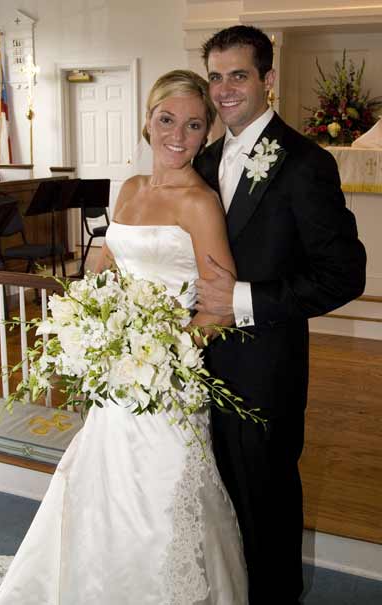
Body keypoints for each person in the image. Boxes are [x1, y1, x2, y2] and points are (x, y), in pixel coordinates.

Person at [0, 70, 249, 605]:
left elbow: (219, 309)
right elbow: (107, 264)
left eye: (194, 124)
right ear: (147, 122)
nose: (178, 134)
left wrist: (164, 355)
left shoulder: (200, 204)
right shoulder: (130, 190)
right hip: (116, 379)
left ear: (206, 135)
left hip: (165, 384)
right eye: (166, 119)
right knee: (102, 487)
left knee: (158, 497)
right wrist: (86, 319)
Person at [193, 25, 367, 605]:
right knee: (214, 504)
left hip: (265, 373)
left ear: (268, 80)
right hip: (197, 372)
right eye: (215, 77)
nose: (223, 89)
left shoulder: (304, 163)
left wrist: (240, 300)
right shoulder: (204, 159)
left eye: (237, 75)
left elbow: (344, 275)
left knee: (266, 509)